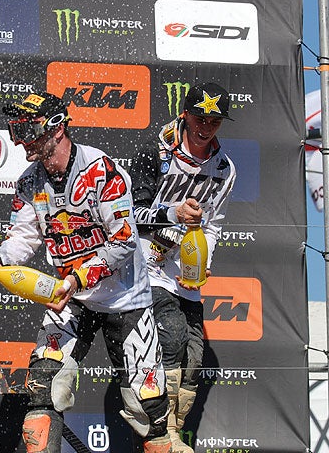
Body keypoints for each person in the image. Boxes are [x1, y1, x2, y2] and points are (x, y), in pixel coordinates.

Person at [0, 92, 173, 453]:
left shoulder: (102, 170)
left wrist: (76, 278)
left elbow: (125, 242)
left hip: (125, 299)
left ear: (57, 128)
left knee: (148, 406)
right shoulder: (29, 182)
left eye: (28, 130)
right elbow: (22, 237)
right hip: (71, 299)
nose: (20, 141)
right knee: (42, 387)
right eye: (15, 130)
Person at [129, 82, 236, 452]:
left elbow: (214, 224)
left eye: (215, 121)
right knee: (170, 337)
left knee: (194, 357)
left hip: (185, 268)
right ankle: (164, 434)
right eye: (200, 118)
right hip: (147, 263)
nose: (206, 127)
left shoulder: (225, 168)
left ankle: (173, 430)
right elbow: (131, 215)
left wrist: (202, 259)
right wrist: (173, 214)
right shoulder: (155, 152)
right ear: (185, 115)